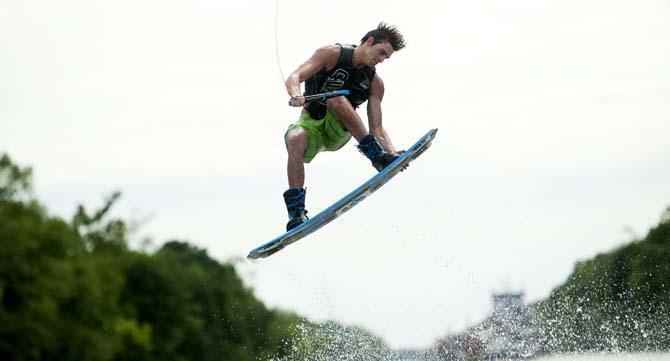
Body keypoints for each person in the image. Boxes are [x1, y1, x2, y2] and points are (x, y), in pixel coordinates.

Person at [282, 22, 406, 231]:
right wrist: (296, 94)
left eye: (386, 57)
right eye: (381, 52)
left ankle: (377, 157)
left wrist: (391, 154)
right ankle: (296, 213)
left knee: (336, 99)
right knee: (295, 137)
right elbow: (294, 77)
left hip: (338, 131)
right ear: (369, 41)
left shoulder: (375, 83)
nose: (382, 60)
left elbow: (377, 127)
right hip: (310, 123)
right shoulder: (331, 54)